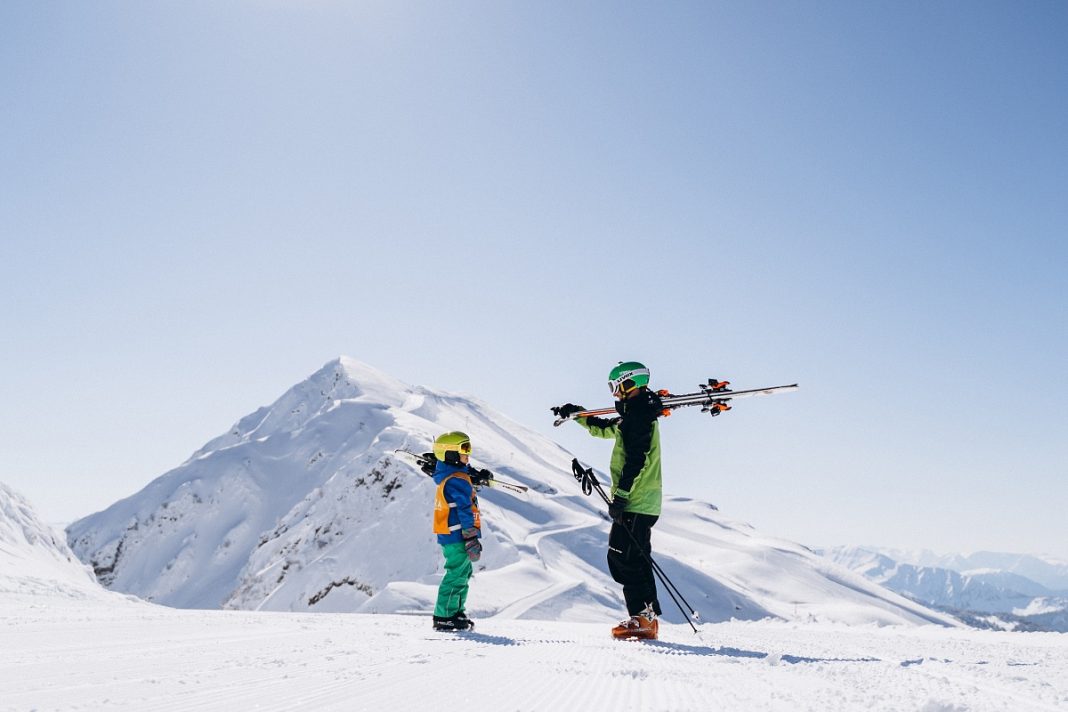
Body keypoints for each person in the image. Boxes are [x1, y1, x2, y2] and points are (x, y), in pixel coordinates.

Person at [553, 361, 664, 640]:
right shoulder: (634, 416)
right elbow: (603, 428)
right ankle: (645, 618)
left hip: (636, 501)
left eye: (616, 386)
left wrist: (622, 496)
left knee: (624, 557)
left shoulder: (638, 418)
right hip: (641, 502)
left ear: (630, 383)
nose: (615, 393)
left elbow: (638, 461)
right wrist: (578, 414)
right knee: (632, 558)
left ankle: (643, 618)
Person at [430, 431, 488, 632]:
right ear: (450, 454)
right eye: (464, 449)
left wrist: (475, 474)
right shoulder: (457, 480)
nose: (468, 453)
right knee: (456, 573)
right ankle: (444, 615)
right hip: (458, 534)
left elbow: (461, 471)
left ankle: (455, 612)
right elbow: (464, 508)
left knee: (463, 572)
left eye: (468, 448)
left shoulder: (451, 475)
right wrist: (470, 536)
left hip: (452, 534)